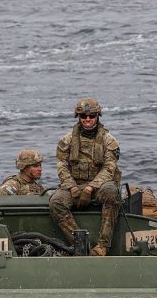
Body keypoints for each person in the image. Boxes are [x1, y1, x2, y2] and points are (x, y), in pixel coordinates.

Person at [49, 97, 122, 256]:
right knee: (56, 202)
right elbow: (62, 166)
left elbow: (109, 168)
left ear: (97, 116)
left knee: (111, 194)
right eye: (83, 116)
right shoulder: (67, 141)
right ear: (78, 117)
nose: (87, 119)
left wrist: (90, 188)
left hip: (99, 186)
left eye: (92, 116)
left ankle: (103, 245)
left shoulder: (109, 141)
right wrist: (72, 187)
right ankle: (80, 244)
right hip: (74, 185)